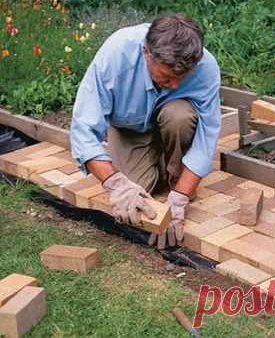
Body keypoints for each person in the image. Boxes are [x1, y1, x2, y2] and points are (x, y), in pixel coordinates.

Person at [70, 13, 221, 249]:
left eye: (182, 78)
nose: (175, 85)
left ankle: (175, 177)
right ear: (146, 53)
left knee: (180, 115)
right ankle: (158, 167)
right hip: (130, 131)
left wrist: (180, 197)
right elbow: (83, 130)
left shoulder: (206, 67)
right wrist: (116, 185)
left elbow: (206, 138)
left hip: (173, 121)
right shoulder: (116, 55)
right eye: (167, 77)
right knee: (136, 199)